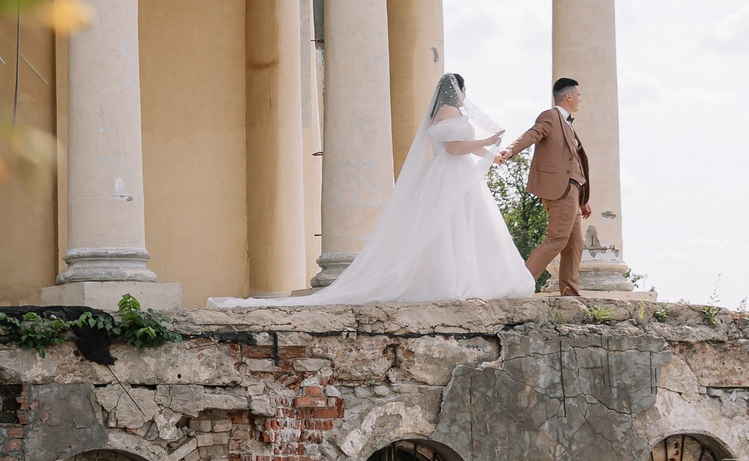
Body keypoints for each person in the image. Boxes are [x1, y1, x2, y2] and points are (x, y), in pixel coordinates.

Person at [216, 73, 536, 306]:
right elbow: (454, 147)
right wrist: (486, 142)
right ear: (457, 91)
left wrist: (492, 156)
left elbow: (463, 146)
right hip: (448, 175)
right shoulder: (446, 113)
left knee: (466, 227)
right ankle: (451, 281)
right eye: (465, 90)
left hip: (457, 176)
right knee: (446, 228)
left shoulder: (450, 113)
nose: (467, 96)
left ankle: (472, 278)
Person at [497, 77, 590, 297]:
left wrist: (583, 199)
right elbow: (532, 134)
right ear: (568, 96)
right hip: (560, 190)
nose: (580, 99)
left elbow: (573, 162)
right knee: (557, 239)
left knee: (574, 244)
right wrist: (509, 151)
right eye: (578, 95)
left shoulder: (568, 123)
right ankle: (518, 285)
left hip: (573, 192)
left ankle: (570, 295)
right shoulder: (550, 116)